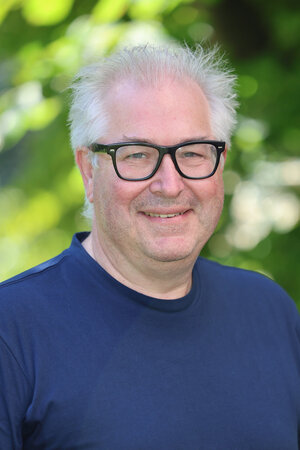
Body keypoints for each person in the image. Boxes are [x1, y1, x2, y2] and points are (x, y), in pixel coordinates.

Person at [0, 44, 299, 449]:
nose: (170, 184)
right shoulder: (13, 330)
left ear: (221, 162)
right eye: (138, 155)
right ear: (89, 170)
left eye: (193, 153)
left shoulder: (270, 311)